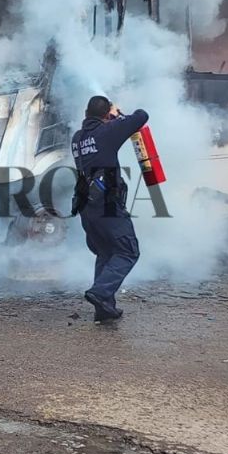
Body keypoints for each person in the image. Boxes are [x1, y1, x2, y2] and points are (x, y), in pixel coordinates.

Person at [71, 95, 149, 322]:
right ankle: (100, 293)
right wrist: (118, 115)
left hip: (86, 204)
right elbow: (141, 116)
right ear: (106, 116)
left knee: (106, 252)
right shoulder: (107, 131)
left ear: (86, 114)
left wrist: (109, 118)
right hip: (107, 204)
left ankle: (104, 309)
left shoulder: (77, 138)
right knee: (127, 251)